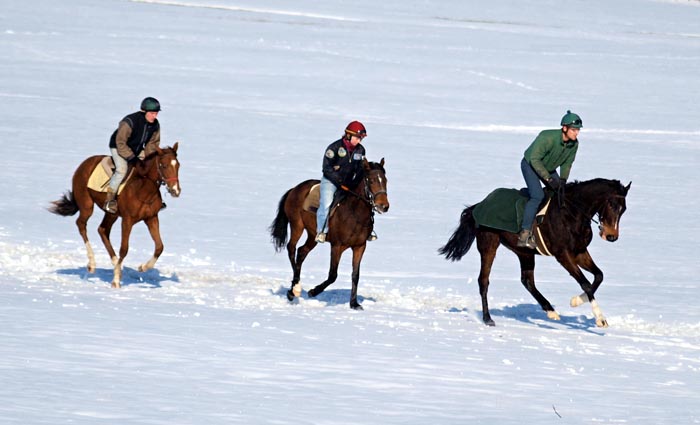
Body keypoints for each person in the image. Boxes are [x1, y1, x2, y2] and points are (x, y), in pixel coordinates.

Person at [517, 110, 582, 248]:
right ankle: (525, 234)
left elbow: (567, 164)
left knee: (561, 193)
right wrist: (548, 178)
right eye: (573, 130)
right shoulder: (547, 137)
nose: (576, 133)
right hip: (530, 165)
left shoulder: (574, 144)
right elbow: (534, 159)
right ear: (564, 128)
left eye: (578, 130)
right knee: (537, 196)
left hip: (548, 167)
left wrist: (563, 181)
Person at [315, 121, 375, 243]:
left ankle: (368, 230)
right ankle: (322, 231)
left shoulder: (361, 150)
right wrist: (339, 181)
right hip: (331, 181)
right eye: (357, 138)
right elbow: (326, 168)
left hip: (349, 182)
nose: (359, 141)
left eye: (361, 139)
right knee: (326, 203)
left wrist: (356, 181)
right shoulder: (334, 148)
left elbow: (359, 169)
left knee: (365, 200)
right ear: (348, 135)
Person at [104, 97, 161, 213]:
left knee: (152, 167)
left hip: (136, 149)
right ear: (144, 112)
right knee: (122, 170)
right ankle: (110, 200)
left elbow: (152, 144)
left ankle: (153, 198)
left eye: (156, 113)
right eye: (152, 113)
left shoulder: (155, 124)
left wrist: (149, 160)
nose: (155, 116)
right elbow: (120, 143)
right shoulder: (129, 122)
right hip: (118, 147)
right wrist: (131, 158)